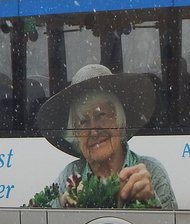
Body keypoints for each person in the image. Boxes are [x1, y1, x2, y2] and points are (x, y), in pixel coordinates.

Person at [31, 63, 177, 209]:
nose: (94, 131)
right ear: (75, 134)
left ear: (119, 121)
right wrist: (63, 214)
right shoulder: (70, 176)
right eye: (83, 121)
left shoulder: (152, 172)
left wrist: (150, 202)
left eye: (101, 115)